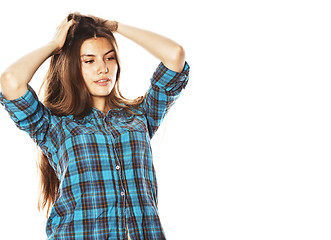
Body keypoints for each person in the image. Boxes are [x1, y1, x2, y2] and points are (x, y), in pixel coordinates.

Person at [0, 13, 189, 239]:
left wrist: (115, 27)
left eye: (109, 58)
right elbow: (11, 81)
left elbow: (175, 56)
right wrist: (55, 45)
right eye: (89, 61)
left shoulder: (140, 116)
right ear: (72, 66)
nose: (103, 68)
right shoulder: (54, 126)